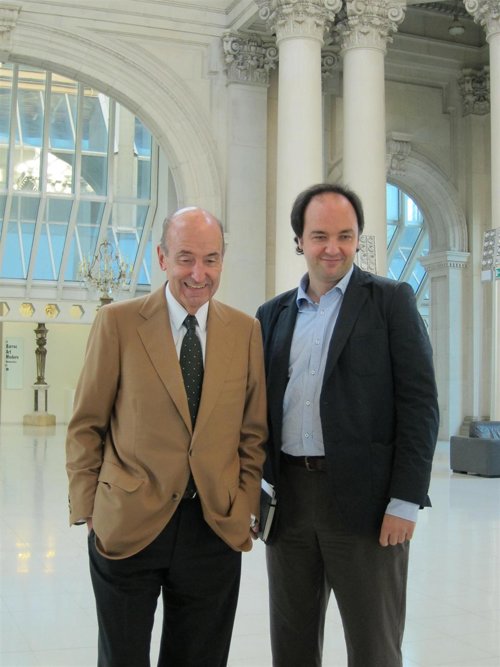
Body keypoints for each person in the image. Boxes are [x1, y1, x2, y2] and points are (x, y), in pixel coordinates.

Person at [66, 206, 268, 667]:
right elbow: (86, 424)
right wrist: (89, 508)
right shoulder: (118, 323)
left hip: (213, 526)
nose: (199, 273)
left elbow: (253, 432)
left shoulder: (245, 331)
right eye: (186, 258)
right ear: (161, 258)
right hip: (128, 522)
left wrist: (243, 505)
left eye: (211, 259)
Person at [256, 183, 439, 667]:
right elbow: (257, 411)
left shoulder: (391, 302)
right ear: (300, 240)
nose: (332, 248)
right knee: (291, 646)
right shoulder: (271, 315)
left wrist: (405, 500)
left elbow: (420, 405)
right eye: (319, 236)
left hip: (369, 506)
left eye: (345, 235)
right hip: (289, 503)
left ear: (358, 238)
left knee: (374, 647)